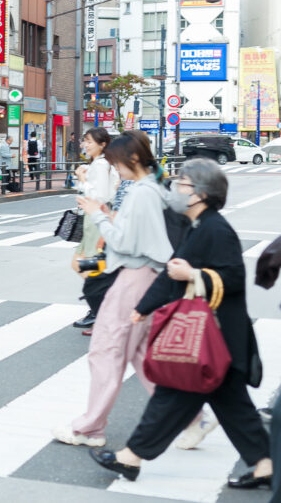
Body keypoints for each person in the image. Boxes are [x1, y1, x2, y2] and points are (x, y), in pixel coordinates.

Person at [90, 159, 273, 490]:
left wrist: (192, 275)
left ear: (200, 194)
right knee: (230, 406)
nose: (175, 188)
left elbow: (232, 277)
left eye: (182, 184)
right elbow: (172, 272)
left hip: (216, 336)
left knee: (174, 395)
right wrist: (143, 308)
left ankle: (131, 457)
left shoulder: (216, 229)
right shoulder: (199, 226)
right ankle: (264, 465)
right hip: (214, 338)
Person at [53, 134, 173, 447]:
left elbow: (124, 241)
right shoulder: (152, 188)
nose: (115, 169)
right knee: (139, 354)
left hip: (134, 276)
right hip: (146, 275)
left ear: (132, 160)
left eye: (117, 163)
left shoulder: (141, 192)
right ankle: (188, 416)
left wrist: (96, 213)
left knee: (106, 351)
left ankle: (90, 427)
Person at [71, 128, 120, 332]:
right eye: (85, 141)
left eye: (90, 141)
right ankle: (100, 306)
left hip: (97, 216)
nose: (85, 145)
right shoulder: (102, 164)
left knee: (83, 264)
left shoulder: (100, 165)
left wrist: (82, 180)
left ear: (103, 144)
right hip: (98, 216)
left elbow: (100, 196)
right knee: (88, 265)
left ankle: (100, 307)